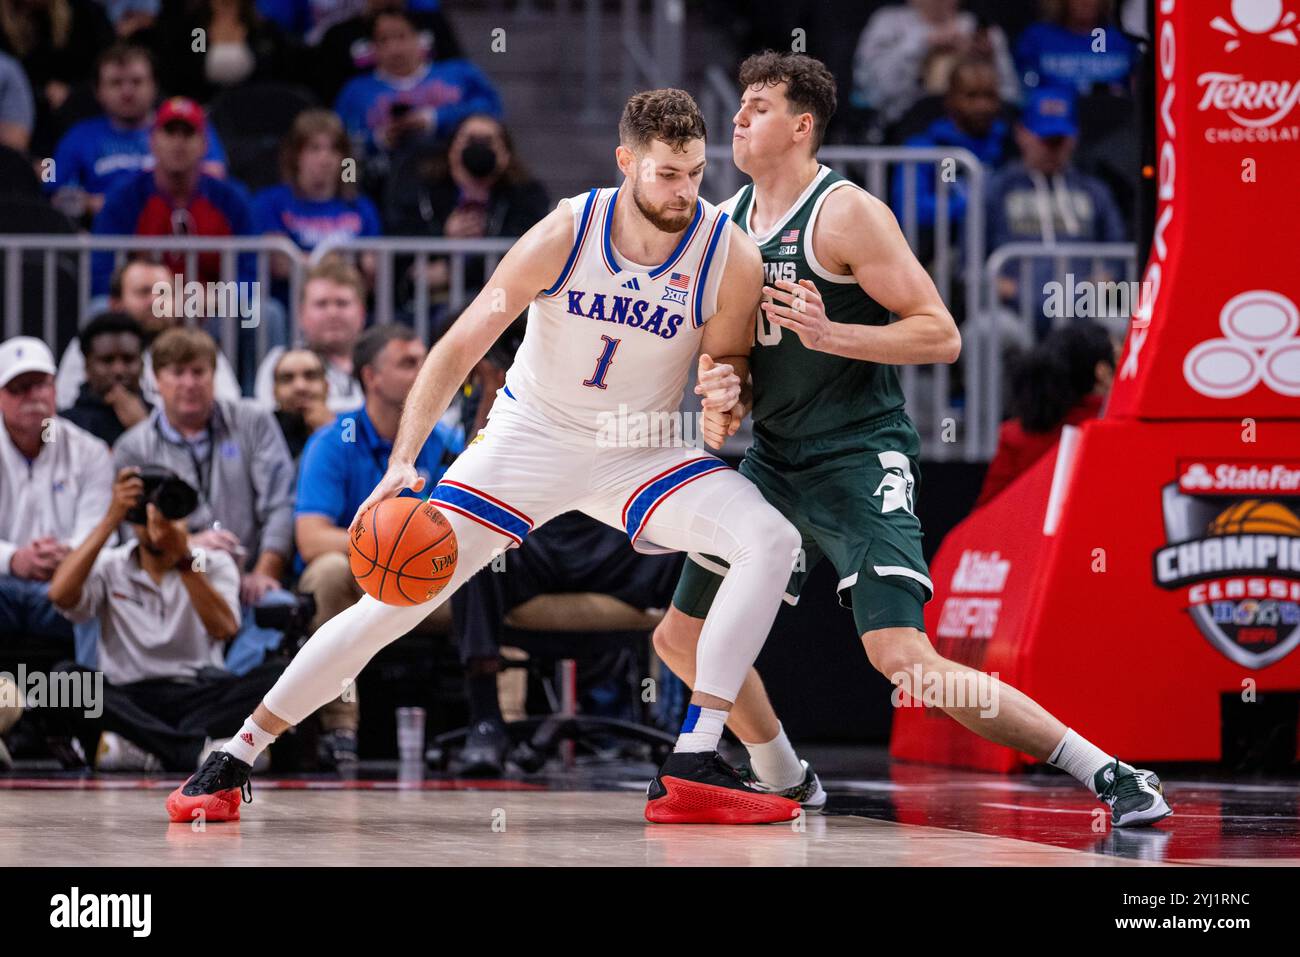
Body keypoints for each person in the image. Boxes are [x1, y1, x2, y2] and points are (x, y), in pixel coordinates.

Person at [167, 87, 808, 826]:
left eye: (696, 172)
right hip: (529, 437)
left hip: (640, 446)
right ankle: (235, 754)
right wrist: (404, 460)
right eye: (668, 173)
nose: (686, 190)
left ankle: (695, 755)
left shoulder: (728, 253)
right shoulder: (567, 229)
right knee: (393, 603)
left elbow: (728, 390)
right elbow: (458, 347)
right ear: (627, 161)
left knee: (772, 538)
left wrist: (726, 392)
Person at [652, 51, 1170, 829]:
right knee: (678, 636)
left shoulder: (846, 212)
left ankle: (1107, 769)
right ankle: (785, 775)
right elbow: (733, 363)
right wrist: (723, 388)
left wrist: (834, 333)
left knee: (905, 661)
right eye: (739, 105)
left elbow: (941, 334)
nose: (737, 117)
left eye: (757, 106)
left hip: (861, 455)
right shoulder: (724, 228)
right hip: (775, 460)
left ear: (801, 126)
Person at [293, 323, 463, 766]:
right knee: (327, 571)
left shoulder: (446, 443)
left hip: (430, 584)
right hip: (358, 581)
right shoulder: (333, 441)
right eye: (408, 363)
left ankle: (495, 725)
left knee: (495, 580)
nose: (423, 371)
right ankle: (340, 730)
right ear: (370, 376)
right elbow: (311, 539)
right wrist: (390, 545)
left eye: (425, 360)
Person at [47, 466, 286, 771]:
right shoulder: (109, 564)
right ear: (132, 519)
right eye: (144, 511)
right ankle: (193, 751)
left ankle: (143, 749)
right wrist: (111, 517)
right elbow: (59, 595)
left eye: (167, 507)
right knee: (65, 679)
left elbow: (225, 629)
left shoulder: (212, 563)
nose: (155, 519)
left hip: (198, 693)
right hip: (129, 695)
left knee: (279, 675)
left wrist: (182, 559)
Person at [113, 327, 297, 674]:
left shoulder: (253, 422)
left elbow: (280, 503)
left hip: (247, 579)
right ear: (156, 380)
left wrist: (263, 572)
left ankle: (226, 688)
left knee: (279, 608)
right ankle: (201, 693)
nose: (189, 383)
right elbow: (128, 533)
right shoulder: (132, 447)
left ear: (214, 376)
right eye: (177, 373)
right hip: (175, 578)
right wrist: (188, 545)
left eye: (199, 372)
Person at [987, 86, 1127, 338]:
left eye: (1059, 140)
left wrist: (1091, 291)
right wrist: (1016, 294)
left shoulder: (1095, 191)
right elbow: (970, 264)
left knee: (1123, 326)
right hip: (1013, 309)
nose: (1052, 149)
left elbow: (1116, 261)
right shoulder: (995, 189)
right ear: (1021, 134)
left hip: (1086, 308)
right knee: (991, 331)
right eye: (1045, 140)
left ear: (1074, 138)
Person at [0, 336, 113, 646]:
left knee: (104, 583)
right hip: (3, 583)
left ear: (55, 388)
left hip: (67, 585)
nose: (33, 396)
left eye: (41, 385)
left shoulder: (90, 451)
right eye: (19, 388)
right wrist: (12, 558)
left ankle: (97, 689)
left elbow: (100, 531)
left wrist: (69, 555)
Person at [91, 96, 255, 296]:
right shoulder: (125, 197)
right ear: (152, 141)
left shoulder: (231, 199)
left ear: (204, 144)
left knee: (267, 312)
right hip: (143, 306)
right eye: (169, 132)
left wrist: (215, 299)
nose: (178, 142)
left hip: (214, 311)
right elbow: (101, 271)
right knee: (99, 309)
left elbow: (252, 271)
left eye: (188, 133)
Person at [46, 43, 227, 221]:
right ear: (98, 91)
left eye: (137, 81)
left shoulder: (186, 125)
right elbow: (55, 195)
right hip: (104, 235)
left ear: (154, 85)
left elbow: (216, 177)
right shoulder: (77, 136)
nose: (127, 92)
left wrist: (117, 203)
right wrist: (88, 204)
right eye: (116, 83)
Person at [386, 112, 549, 297]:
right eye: (470, 140)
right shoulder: (423, 190)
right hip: (430, 303)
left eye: (487, 141)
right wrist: (443, 235)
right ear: (452, 148)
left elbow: (526, 249)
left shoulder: (527, 194)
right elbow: (401, 240)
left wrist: (452, 272)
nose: (478, 148)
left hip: (500, 300)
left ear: (505, 152)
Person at [55, 259, 243, 410]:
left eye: (164, 293)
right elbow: (64, 404)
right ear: (115, 304)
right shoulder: (90, 346)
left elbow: (229, 407)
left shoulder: (198, 347)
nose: (155, 301)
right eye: (143, 293)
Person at [334, 7, 500, 177]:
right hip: (384, 179)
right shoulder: (355, 92)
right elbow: (340, 140)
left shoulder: (460, 73)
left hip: (454, 174)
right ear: (372, 47)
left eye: (401, 36)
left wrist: (434, 118)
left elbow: (492, 108)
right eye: (383, 40)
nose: (394, 49)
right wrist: (378, 139)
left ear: (420, 38)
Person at [976, 320, 1115, 507]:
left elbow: (987, 514)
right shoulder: (1116, 428)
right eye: (1122, 358)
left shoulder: (1016, 436)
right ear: (1103, 372)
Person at [852, 0, 1018, 128]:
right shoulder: (887, 23)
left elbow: (1011, 95)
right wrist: (922, 44)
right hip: (905, 130)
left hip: (975, 132)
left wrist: (989, 61)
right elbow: (876, 92)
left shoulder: (981, 31)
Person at [252, 108, 381, 254]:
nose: (325, 159)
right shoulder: (269, 203)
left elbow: (371, 265)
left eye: (334, 149)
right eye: (315, 148)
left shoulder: (361, 207)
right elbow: (279, 263)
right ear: (296, 155)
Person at [252, 256, 368, 412]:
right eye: (321, 304)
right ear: (301, 314)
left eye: (342, 303)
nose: (332, 313)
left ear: (361, 313)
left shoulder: (381, 364)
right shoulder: (279, 362)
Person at [57, 312, 154, 446]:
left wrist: (143, 426)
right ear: (87, 367)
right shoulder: (63, 425)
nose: (119, 370)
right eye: (107, 360)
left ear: (142, 365)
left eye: (128, 359)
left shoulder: (165, 421)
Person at [1014, 0, 1137, 95]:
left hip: (1115, 122)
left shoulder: (1124, 39)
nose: (1085, 2)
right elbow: (1022, 93)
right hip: (1051, 124)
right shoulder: (1037, 37)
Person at [267, 348, 333, 460]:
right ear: (274, 391)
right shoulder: (264, 434)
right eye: (287, 378)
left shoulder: (349, 430)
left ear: (326, 386)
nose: (300, 387)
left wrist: (330, 430)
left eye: (310, 376)